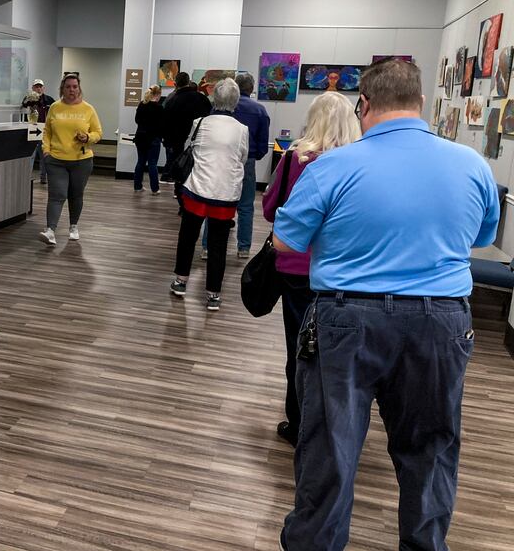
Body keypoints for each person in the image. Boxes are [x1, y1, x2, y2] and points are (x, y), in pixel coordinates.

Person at [274, 60, 499, 551]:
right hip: (441, 322)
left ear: (365, 105)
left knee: (329, 454)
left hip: (346, 319)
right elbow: (481, 237)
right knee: (431, 451)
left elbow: (286, 243)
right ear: (421, 103)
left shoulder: (331, 165)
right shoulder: (472, 165)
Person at [261, 92, 361, 449]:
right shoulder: (361, 162)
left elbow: (272, 209)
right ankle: (336, 425)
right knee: (343, 351)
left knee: (299, 347)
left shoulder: (294, 159)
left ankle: (299, 421)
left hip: (297, 266)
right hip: (347, 271)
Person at [169, 78, 248, 311]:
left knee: (187, 237)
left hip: (197, 188)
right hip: (225, 193)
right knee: (218, 244)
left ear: (215, 98)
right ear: (236, 101)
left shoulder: (200, 122)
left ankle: (180, 281)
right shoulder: (242, 130)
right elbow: (242, 158)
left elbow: (188, 147)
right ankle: (213, 294)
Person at [201, 73, 270, 260]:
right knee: (246, 207)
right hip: (247, 162)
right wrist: (253, 156)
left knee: (214, 201)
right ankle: (243, 248)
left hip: (221, 159)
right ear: (252, 87)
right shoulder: (260, 111)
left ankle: (207, 246)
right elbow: (263, 145)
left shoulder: (221, 109)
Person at [38, 74, 102, 246]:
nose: (72, 90)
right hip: (56, 160)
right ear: (62, 89)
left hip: (81, 161)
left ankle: (73, 227)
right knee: (57, 195)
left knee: (75, 195)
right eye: (68, 87)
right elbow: (47, 132)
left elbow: (98, 133)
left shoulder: (88, 109)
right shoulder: (54, 108)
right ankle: (50, 230)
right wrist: (46, 151)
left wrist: (87, 137)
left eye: (75, 86)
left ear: (79, 88)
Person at [161, 72, 212, 183]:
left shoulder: (172, 101)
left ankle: (178, 187)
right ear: (188, 82)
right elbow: (209, 117)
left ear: (176, 84)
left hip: (177, 139)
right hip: (200, 139)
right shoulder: (201, 99)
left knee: (178, 163)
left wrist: (166, 139)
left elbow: (165, 121)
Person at [21, 79, 56, 184]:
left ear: (43, 88)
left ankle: (43, 177)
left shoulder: (49, 100)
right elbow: (23, 105)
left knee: (44, 155)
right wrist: (30, 100)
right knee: (31, 154)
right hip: (32, 129)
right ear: (33, 88)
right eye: (36, 87)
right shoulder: (29, 98)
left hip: (44, 130)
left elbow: (55, 112)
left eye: (40, 87)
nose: (38, 88)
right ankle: (27, 177)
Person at [134, 85, 164, 195]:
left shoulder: (141, 104)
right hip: (153, 139)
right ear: (158, 94)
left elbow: (137, 120)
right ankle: (155, 189)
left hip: (140, 137)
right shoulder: (159, 107)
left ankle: (137, 186)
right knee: (152, 164)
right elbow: (161, 125)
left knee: (140, 161)